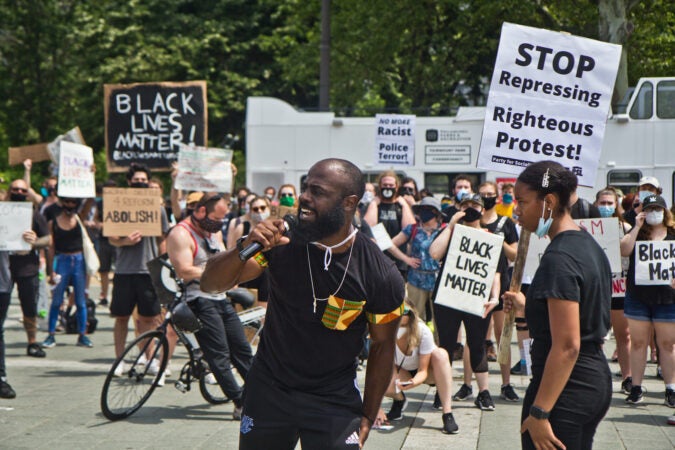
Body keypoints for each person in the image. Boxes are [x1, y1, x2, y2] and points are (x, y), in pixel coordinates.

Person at [201, 158, 405, 449]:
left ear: (349, 203)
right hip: (269, 392)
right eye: (305, 187)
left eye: (317, 192)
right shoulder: (279, 243)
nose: (304, 198)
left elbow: (383, 346)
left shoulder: (381, 275)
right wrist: (245, 247)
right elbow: (211, 284)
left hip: (333, 399)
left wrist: (368, 415)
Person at [502, 161, 612, 450]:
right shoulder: (585, 244)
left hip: (566, 390)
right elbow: (579, 313)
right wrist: (529, 306)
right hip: (589, 380)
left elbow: (567, 345)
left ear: (548, 202)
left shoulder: (559, 258)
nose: (517, 211)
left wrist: (540, 412)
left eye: (523, 202)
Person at [166, 193, 253, 419]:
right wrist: (214, 273)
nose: (219, 224)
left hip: (219, 296)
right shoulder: (180, 233)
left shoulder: (213, 232)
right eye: (216, 218)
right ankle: (240, 402)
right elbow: (184, 270)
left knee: (242, 349)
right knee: (219, 354)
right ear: (201, 211)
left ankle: (259, 394)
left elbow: (223, 257)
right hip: (198, 299)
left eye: (222, 220)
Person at [429, 194, 504, 412]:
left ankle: (483, 392)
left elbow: (495, 275)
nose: (470, 209)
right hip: (448, 299)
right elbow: (434, 253)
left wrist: (494, 297)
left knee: (477, 343)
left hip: (477, 299)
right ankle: (441, 392)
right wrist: (451, 225)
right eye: (465, 205)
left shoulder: (492, 238)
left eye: (475, 205)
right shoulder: (451, 233)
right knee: (446, 346)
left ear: (482, 210)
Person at [108, 164, 169, 375]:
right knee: (122, 317)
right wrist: (124, 241)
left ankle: (150, 358)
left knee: (149, 319)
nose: (140, 182)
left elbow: (163, 238)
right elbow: (112, 239)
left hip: (147, 270)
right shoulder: (119, 205)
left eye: (144, 179)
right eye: (137, 180)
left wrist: (162, 265)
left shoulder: (159, 209)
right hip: (124, 270)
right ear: (129, 182)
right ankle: (119, 361)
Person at [619, 193, 675, 407]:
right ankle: (636, 387)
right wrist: (636, 227)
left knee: (668, 344)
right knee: (639, 342)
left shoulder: (673, 234)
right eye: (649, 209)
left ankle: (670, 388)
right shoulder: (638, 234)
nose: (653, 213)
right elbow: (624, 250)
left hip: (667, 298)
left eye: (657, 209)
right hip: (638, 296)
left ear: (665, 212)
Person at [379, 302, 458, 434]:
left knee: (441, 354)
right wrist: (376, 408)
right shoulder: (386, 330)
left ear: (412, 315)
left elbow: (423, 371)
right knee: (382, 378)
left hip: (429, 370)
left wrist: (413, 382)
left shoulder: (422, 330)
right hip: (402, 370)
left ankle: (447, 413)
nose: (399, 315)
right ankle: (399, 401)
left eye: (405, 311)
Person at [4, 179, 50, 357]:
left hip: (27, 267)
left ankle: (32, 342)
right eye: (15, 189)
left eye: (23, 190)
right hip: (3, 268)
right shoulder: (2, 211)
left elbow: (47, 239)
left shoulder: (33, 213)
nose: (19, 193)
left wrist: (34, 242)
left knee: (29, 307)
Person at [41, 196, 93, 348]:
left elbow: (89, 203)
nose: (70, 204)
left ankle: (82, 334)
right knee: (57, 300)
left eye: (73, 202)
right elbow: (50, 247)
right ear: (62, 203)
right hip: (62, 260)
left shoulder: (79, 219)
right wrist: (51, 271)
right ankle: (51, 334)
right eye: (67, 201)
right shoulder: (54, 223)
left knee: (81, 301)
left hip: (78, 261)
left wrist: (90, 180)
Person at [596, 187, 633, 394]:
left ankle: (627, 377)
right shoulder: (589, 227)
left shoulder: (625, 227)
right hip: (598, 288)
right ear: (596, 204)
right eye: (603, 203)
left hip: (619, 287)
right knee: (597, 336)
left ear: (616, 205)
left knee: (624, 335)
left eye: (610, 203)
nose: (606, 207)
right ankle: (599, 377)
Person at [386, 196, 445, 323]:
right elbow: (391, 245)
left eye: (429, 209)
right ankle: (414, 342)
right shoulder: (412, 229)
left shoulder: (445, 230)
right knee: (414, 317)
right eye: (422, 209)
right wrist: (406, 259)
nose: (425, 212)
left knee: (441, 319)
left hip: (439, 281)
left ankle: (439, 342)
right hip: (416, 280)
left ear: (436, 213)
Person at [364, 170, 415, 277]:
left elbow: (409, 229)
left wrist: (404, 205)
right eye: (385, 185)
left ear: (396, 187)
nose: (388, 187)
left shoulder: (400, 206)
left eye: (391, 185)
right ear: (380, 187)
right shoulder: (373, 205)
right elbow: (368, 227)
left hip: (399, 262)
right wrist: (374, 204)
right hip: (377, 261)